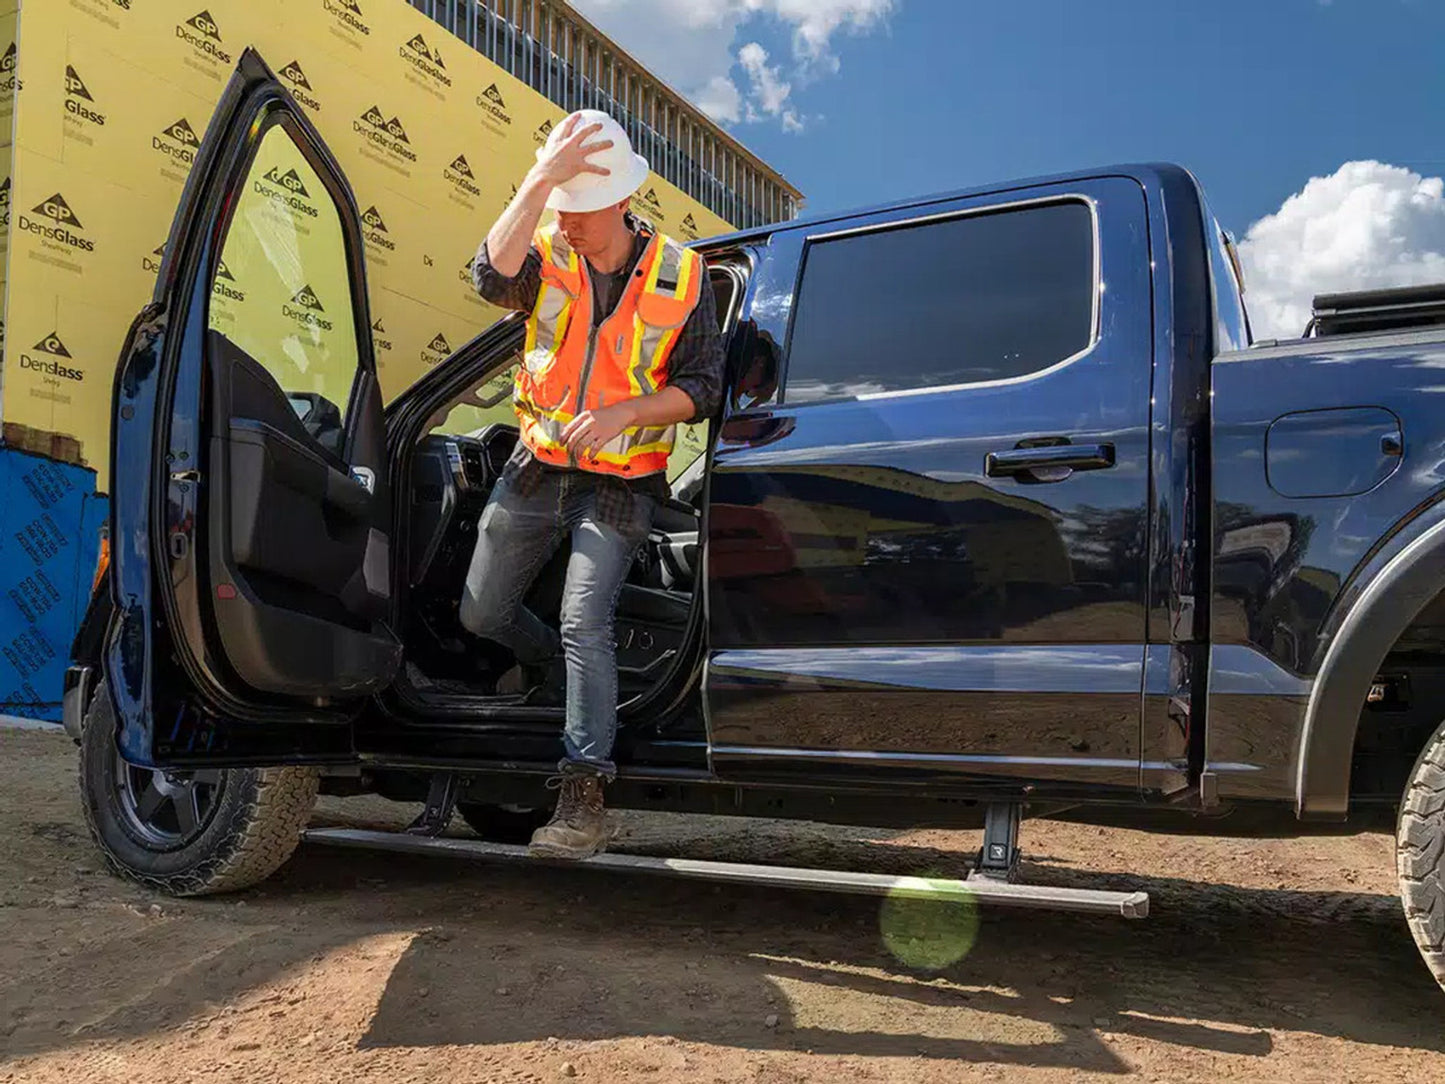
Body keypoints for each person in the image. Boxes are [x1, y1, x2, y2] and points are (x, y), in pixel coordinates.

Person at [462, 109, 725, 860]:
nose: (567, 223)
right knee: (481, 614)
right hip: (537, 465)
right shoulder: (547, 250)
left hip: (623, 481)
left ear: (620, 200)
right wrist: (541, 178)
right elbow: (489, 277)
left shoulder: (682, 274)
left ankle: (582, 794)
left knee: (585, 620)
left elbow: (703, 385)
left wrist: (627, 412)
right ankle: (557, 673)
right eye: (559, 208)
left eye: (579, 209)